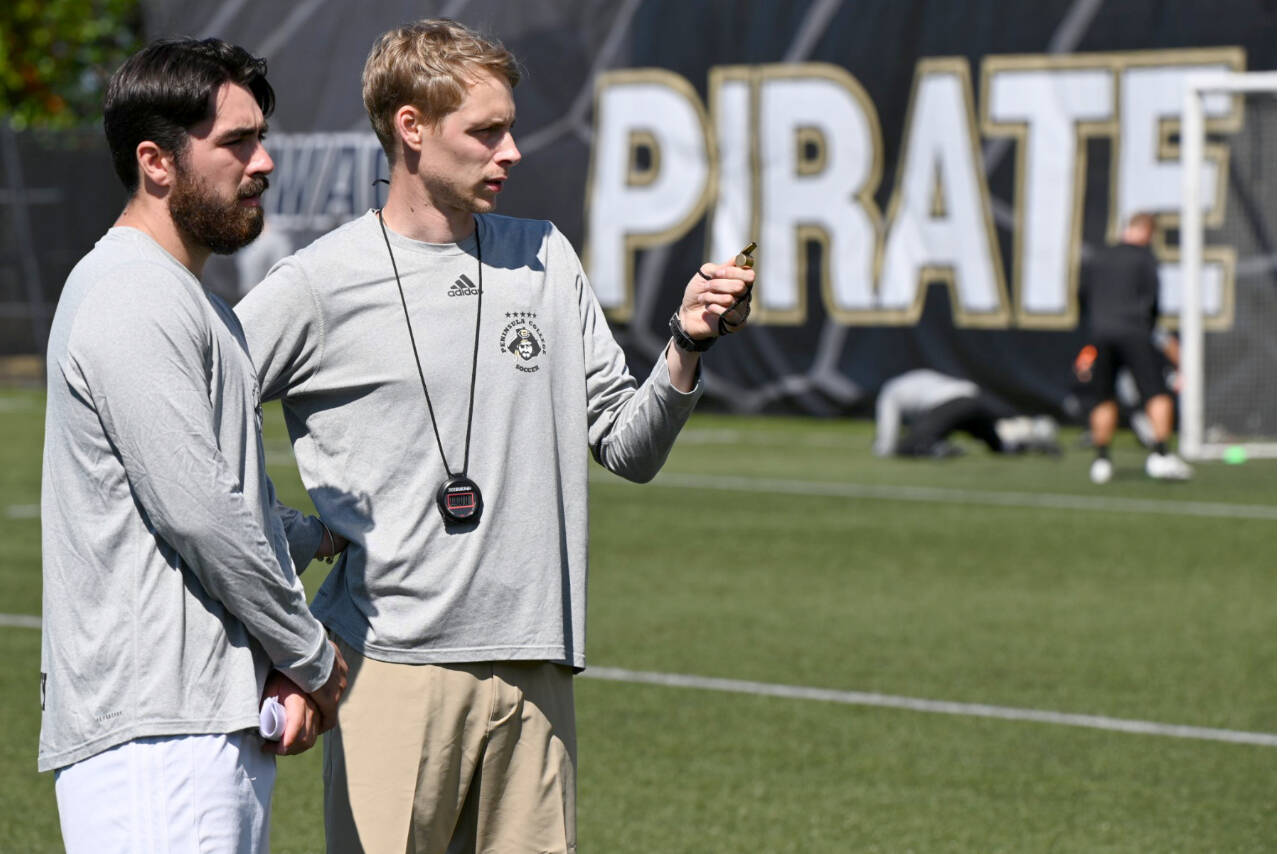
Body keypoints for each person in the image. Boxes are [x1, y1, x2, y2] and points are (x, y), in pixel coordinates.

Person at [234, 18, 753, 853]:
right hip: (393, 666)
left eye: (508, 127)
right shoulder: (316, 283)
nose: (510, 151)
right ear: (411, 128)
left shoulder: (545, 255)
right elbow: (197, 418)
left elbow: (629, 447)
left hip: (539, 664)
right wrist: (291, 533)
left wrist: (686, 343)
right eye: (486, 131)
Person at [39, 38, 348, 853]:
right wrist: (311, 654)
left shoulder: (188, 299)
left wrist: (320, 536)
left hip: (195, 724)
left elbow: (222, 498)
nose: (265, 162)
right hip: (157, 737)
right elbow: (200, 512)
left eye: (261, 137)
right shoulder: (130, 293)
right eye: (236, 142)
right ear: (157, 161)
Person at [1078, 212, 1192, 483]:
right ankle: (1161, 455)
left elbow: (1082, 297)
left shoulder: (1098, 257)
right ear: (1148, 232)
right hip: (1135, 332)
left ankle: (1101, 461)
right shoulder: (1144, 259)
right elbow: (1153, 302)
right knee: (1156, 393)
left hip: (1101, 333)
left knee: (1103, 398)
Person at [873, 368, 1058, 458]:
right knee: (998, 445)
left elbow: (887, 436)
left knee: (907, 447)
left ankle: (935, 448)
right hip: (972, 397)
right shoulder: (915, 378)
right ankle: (1031, 438)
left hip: (951, 403)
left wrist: (884, 448)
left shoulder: (890, 391)